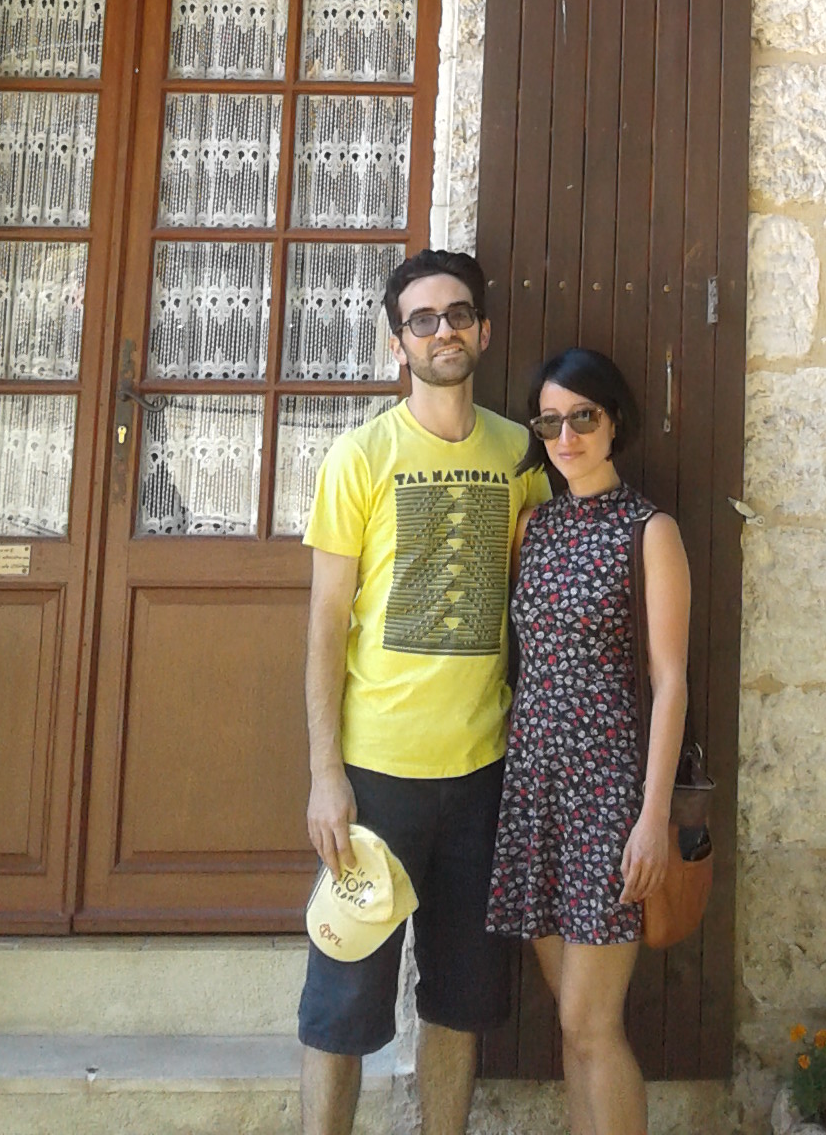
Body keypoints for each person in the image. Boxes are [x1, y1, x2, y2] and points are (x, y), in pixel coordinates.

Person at [298, 248, 548, 1135]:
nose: (444, 331)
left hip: (483, 774)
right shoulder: (360, 456)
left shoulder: (520, 453)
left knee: (462, 999)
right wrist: (325, 775)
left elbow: (529, 594)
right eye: (423, 319)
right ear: (396, 341)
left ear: (484, 330)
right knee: (342, 1000)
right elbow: (327, 624)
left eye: (459, 314)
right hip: (377, 778)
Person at [486, 349, 691, 1135]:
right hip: (535, 789)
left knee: (591, 1023)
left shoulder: (650, 530)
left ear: (614, 423)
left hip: (609, 799)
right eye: (550, 422)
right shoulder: (533, 526)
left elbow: (670, 681)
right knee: (569, 1027)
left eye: (583, 418)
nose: (565, 437)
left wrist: (652, 816)